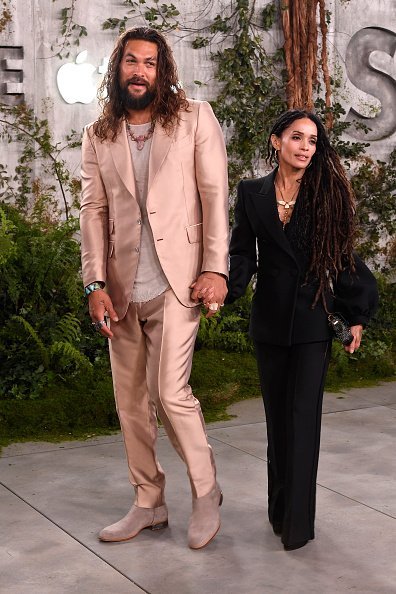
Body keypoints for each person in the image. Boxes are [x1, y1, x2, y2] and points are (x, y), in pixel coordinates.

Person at [79, 26, 229, 550]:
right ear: (117, 69)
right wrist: (94, 281)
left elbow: (214, 196)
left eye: (149, 62)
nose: (139, 71)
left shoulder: (194, 119)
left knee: (170, 392)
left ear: (163, 71)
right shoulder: (99, 134)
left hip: (178, 282)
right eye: (130, 61)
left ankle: (206, 491)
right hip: (121, 291)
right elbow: (93, 212)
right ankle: (149, 502)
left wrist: (216, 268)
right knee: (130, 403)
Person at [227, 109, 378, 551]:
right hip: (269, 322)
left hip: (313, 320)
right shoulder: (251, 192)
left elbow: (342, 257)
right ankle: (279, 511)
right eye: (297, 138)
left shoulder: (327, 193)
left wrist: (356, 314)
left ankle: (297, 525)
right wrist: (224, 293)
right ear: (277, 141)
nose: (306, 147)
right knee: (277, 424)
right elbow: (242, 253)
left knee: (302, 422)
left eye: (313, 141)